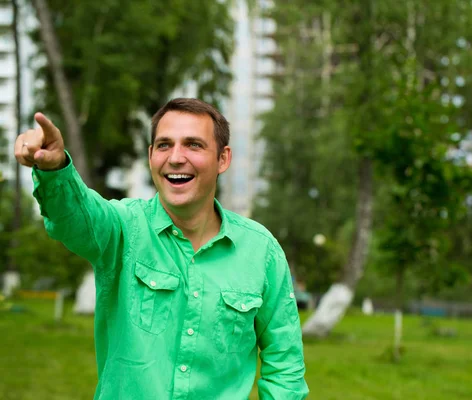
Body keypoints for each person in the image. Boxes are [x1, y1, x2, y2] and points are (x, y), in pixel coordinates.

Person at [14, 98, 309, 400]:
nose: (176, 158)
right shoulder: (123, 228)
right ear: (151, 155)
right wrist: (55, 169)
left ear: (223, 158)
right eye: (165, 145)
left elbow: (284, 366)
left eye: (193, 145)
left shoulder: (261, 252)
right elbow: (76, 217)